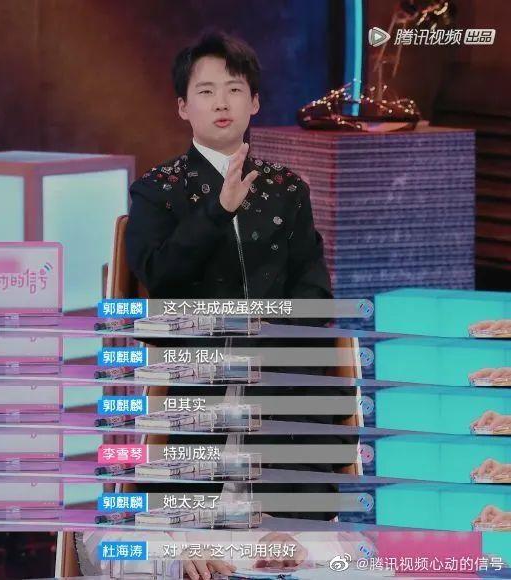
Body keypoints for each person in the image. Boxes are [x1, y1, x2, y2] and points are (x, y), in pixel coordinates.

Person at [78, 30, 358, 579]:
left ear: (255, 103)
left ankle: (289, 525)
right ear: (183, 107)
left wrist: (275, 333)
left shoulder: (287, 189)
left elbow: (313, 284)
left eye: (234, 89)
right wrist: (218, 210)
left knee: (312, 376)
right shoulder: (156, 191)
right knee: (121, 547)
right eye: (206, 91)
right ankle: (185, 535)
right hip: (190, 356)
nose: (222, 102)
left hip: (274, 358)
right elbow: (160, 276)